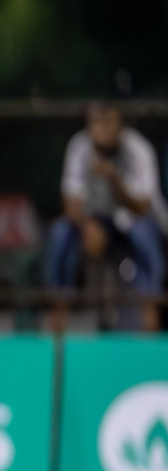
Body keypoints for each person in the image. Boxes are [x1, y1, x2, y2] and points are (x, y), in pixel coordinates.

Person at [47, 101, 166, 332]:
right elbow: (70, 201)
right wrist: (87, 225)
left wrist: (114, 180)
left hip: (134, 221)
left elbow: (143, 207)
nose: (101, 128)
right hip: (96, 222)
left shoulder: (138, 150)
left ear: (121, 124)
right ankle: (59, 306)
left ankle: (149, 309)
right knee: (61, 231)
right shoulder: (79, 146)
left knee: (143, 233)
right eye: (95, 121)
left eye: (107, 121)